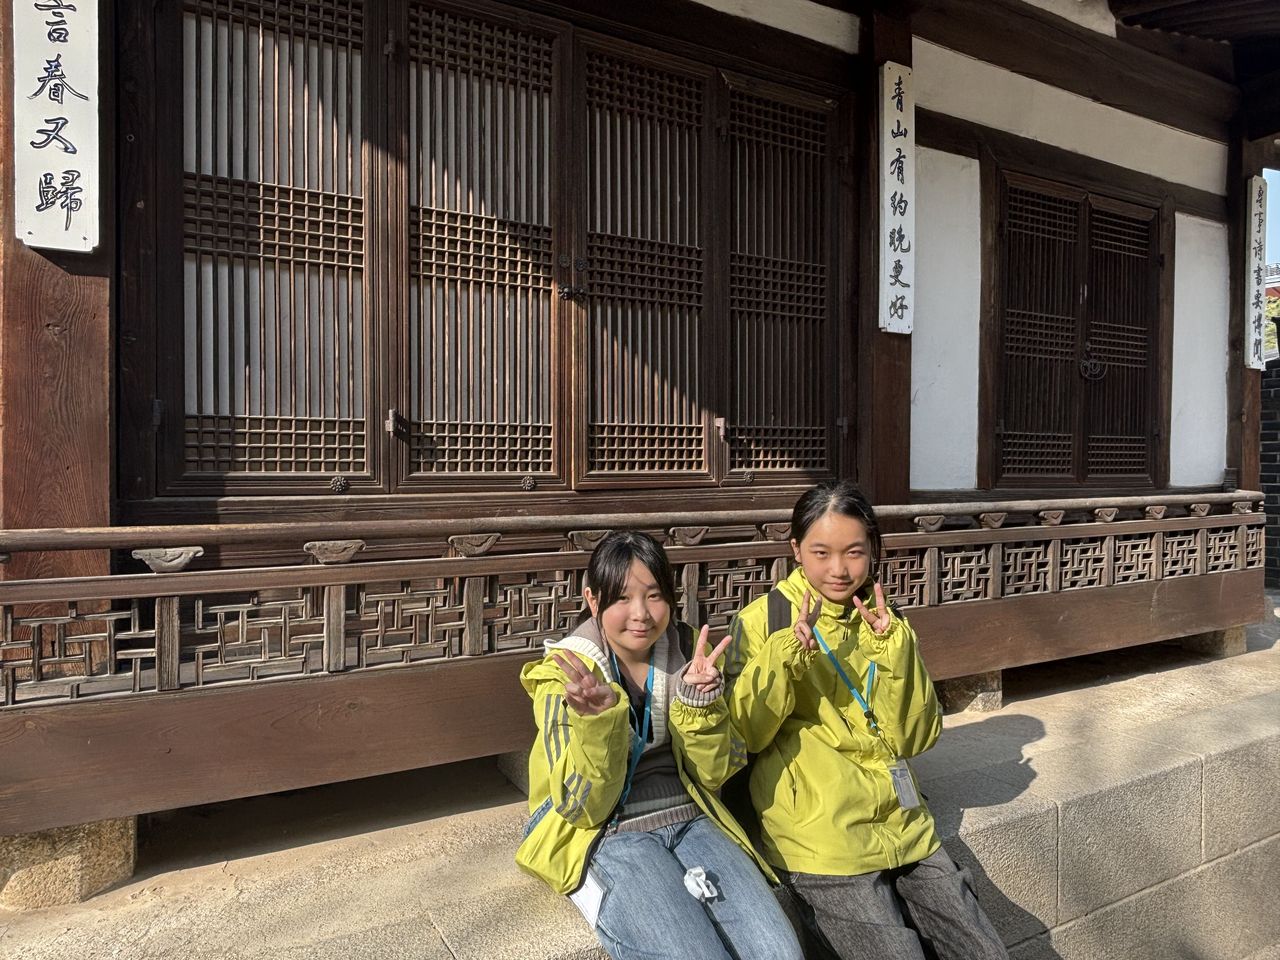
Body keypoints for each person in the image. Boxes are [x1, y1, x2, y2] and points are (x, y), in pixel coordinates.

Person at [725, 480, 1009, 960]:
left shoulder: (884, 618)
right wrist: (784, 656)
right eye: (821, 553)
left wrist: (895, 652)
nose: (839, 570)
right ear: (795, 550)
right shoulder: (763, 621)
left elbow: (916, 737)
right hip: (821, 835)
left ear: (873, 550)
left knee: (985, 951)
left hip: (902, 822)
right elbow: (745, 736)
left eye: (854, 552)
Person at [515, 530, 803, 960]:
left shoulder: (688, 651)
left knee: (779, 953)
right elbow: (581, 807)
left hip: (692, 816)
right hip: (607, 830)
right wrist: (599, 725)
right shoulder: (566, 675)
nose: (641, 615)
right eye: (622, 598)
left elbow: (714, 774)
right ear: (592, 600)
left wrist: (699, 705)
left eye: (654, 596)